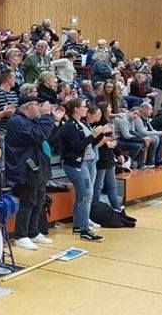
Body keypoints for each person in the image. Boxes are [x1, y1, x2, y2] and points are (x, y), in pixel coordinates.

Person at [6, 96, 63, 250]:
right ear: (28, 106)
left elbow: (47, 136)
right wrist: (46, 116)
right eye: (37, 105)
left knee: (38, 201)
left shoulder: (30, 121)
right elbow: (38, 135)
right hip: (25, 168)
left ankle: (33, 231)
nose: (39, 108)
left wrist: (54, 120)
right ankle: (21, 235)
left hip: (38, 167)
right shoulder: (17, 121)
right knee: (28, 202)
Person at [59, 98, 108, 241]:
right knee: (86, 195)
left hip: (89, 161)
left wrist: (100, 135)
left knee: (83, 195)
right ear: (75, 109)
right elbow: (77, 146)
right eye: (83, 107)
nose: (86, 109)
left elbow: (90, 144)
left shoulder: (83, 123)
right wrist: (93, 135)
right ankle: (85, 229)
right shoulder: (69, 126)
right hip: (76, 164)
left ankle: (78, 225)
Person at [93, 102, 123, 209]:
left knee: (106, 186)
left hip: (107, 157)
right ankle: (114, 209)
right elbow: (97, 143)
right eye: (109, 107)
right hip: (102, 158)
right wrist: (111, 147)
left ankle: (117, 209)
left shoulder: (105, 122)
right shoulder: (100, 124)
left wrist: (118, 153)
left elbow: (111, 140)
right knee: (100, 186)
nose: (111, 108)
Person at [134, 102, 162, 167]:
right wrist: (161, 133)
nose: (152, 111)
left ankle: (158, 160)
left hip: (145, 134)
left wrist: (161, 134)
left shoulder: (146, 118)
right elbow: (144, 132)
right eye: (150, 109)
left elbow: (152, 130)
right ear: (144, 109)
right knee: (156, 138)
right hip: (139, 135)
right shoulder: (138, 118)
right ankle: (150, 162)